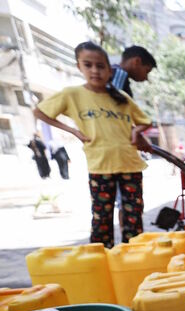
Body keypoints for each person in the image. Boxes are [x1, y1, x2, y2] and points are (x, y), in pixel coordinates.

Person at [33, 41, 151, 247]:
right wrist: (73, 131)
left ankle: (133, 258)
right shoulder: (73, 95)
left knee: (134, 218)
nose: (95, 70)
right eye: (88, 65)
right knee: (101, 220)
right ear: (79, 67)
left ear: (109, 70)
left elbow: (145, 121)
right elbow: (39, 111)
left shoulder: (121, 97)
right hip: (100, 165)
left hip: (130, 163)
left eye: (100, 66)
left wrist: (135, 132)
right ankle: (102, 261)